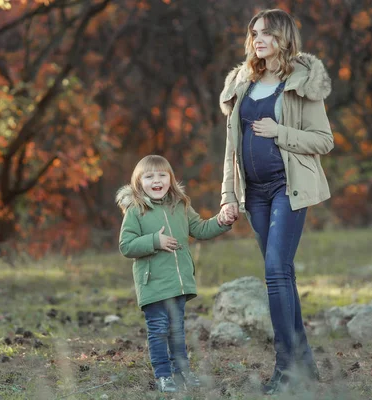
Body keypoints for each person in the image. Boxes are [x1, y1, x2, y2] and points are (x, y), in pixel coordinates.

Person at [218, 8, 334, 395]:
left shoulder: (302, 82)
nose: (257, 39)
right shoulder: (243, 83)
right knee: (281, 273)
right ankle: (306, 368)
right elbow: (231, 148)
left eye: (266, 33)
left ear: (283, 37)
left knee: (275, 271)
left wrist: (279, 131)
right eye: (253, 33)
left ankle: (285, 368)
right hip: (255, 195)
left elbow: (323, 140)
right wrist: (227, 196)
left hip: (289, 188)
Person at [117, 155, 234, 393]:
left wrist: (221, 221)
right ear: (139, 183)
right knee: (159, 330)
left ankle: (182, 371)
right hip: (153, 284)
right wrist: (154, 241)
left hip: (178, 284)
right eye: (149, 177)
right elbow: (126, 246)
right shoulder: (136, 211)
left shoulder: (179, 206)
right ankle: (163, 375)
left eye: (162, 175)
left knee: (177, 330)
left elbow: (200, 228)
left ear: (170, 179)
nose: (156, 180)